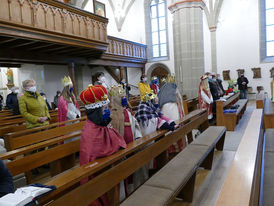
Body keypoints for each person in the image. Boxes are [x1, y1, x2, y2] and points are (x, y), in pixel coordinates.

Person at [79, 84, 127, 206]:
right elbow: (97, 152)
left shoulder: (101, 123)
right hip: (98, 174)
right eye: (105, 108)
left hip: (110, 167)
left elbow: (116, 139)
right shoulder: (90, 129)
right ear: (96, 111)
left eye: (107, 107)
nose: (108, 110)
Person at [109, 85, 142, 198]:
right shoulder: (112, 114)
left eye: (124, 96)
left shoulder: (128, 111)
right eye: (121, 96)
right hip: (121, 148)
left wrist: (138, 137)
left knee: (132, 169)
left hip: (131, 144)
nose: (124, 98)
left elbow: (136, 125)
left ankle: (132, 190)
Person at [158, 75, 185, 156]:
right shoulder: (173, 88)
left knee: (169, 131)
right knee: (175, 128)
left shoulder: (163, 89)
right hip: (173, 113)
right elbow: (179, 97)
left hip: (165, 113)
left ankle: (170, 150)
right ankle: (177, 149)